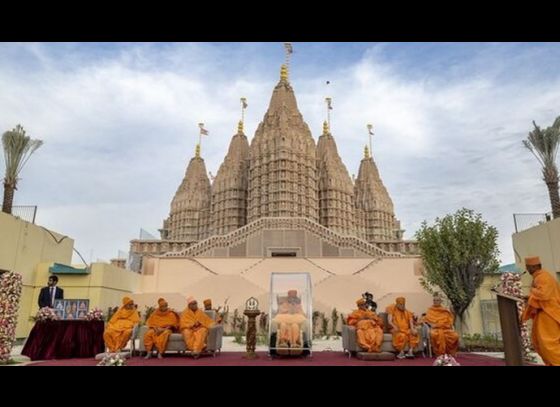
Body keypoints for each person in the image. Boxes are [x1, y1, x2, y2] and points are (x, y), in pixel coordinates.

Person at [521, 256, 560, 366]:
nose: (527, 270)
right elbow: (542, 294)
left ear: (534, 266)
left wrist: (532, 291)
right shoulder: (539, 277)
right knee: (540, 343)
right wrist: (529, 297)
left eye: (528, 267)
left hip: (549, 314)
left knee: (548, 345)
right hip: (544, 313)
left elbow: (544, 295)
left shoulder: (543, 277)